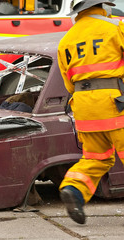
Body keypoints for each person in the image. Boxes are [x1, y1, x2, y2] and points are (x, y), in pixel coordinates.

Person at [57, 0, 123, 224]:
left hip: (84, 108)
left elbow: (68, 83)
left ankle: (73, 189)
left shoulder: (67, 40)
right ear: (102, 6)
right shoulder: (115, 27)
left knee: (96, 157)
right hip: (115, 103)